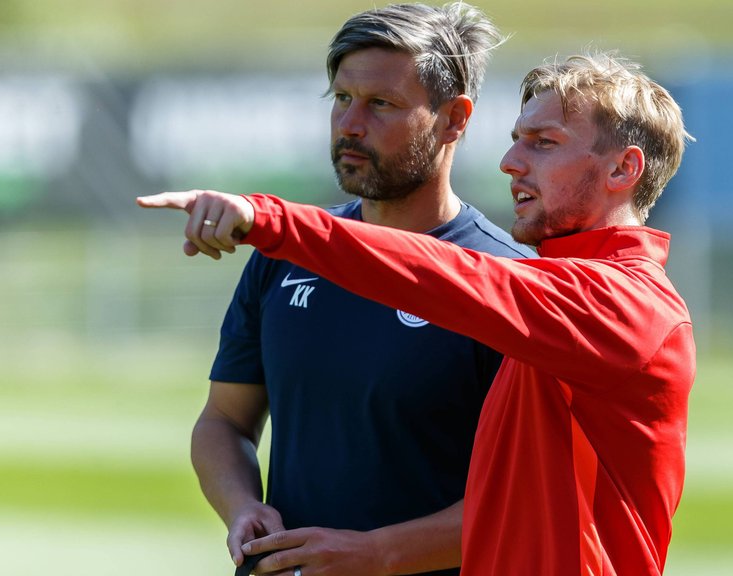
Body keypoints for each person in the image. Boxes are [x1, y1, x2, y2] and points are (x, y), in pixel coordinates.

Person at [140, 51, 695, 575]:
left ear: (623, 170)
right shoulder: (560, 286)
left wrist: (271, 222)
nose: (509, 162)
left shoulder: (622, 303)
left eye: (543, 143)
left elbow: (447, 274)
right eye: (515, 140)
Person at [164, 3, 535, 576]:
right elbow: (224, 422)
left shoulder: (508, 280)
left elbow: (524, 501)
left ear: (453, 119)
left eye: (381, 104)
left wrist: (373, 557)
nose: (350, 125)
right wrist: (241, 508)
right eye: (341, 99)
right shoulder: (283, 256)